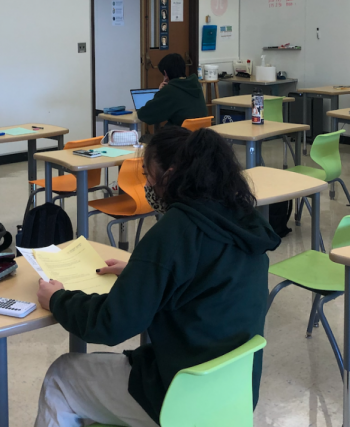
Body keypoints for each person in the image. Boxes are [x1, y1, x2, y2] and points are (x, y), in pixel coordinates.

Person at [34, 126, 280, 427]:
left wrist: (57, 298)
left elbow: (110, 325)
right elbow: (201, 276)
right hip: (232, 395)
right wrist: (143, 274)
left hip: (180, 399)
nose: (147, 185)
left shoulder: (175, 230)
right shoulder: (244, 222)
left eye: (148, 176)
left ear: (170, 175)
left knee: (62, 376)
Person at [136, 53, 207, 128]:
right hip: (199, 135)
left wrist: (161, 93)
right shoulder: (195, 85)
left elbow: (145, 115)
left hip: (180, 136)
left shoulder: (170, 90)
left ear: (165, 73)